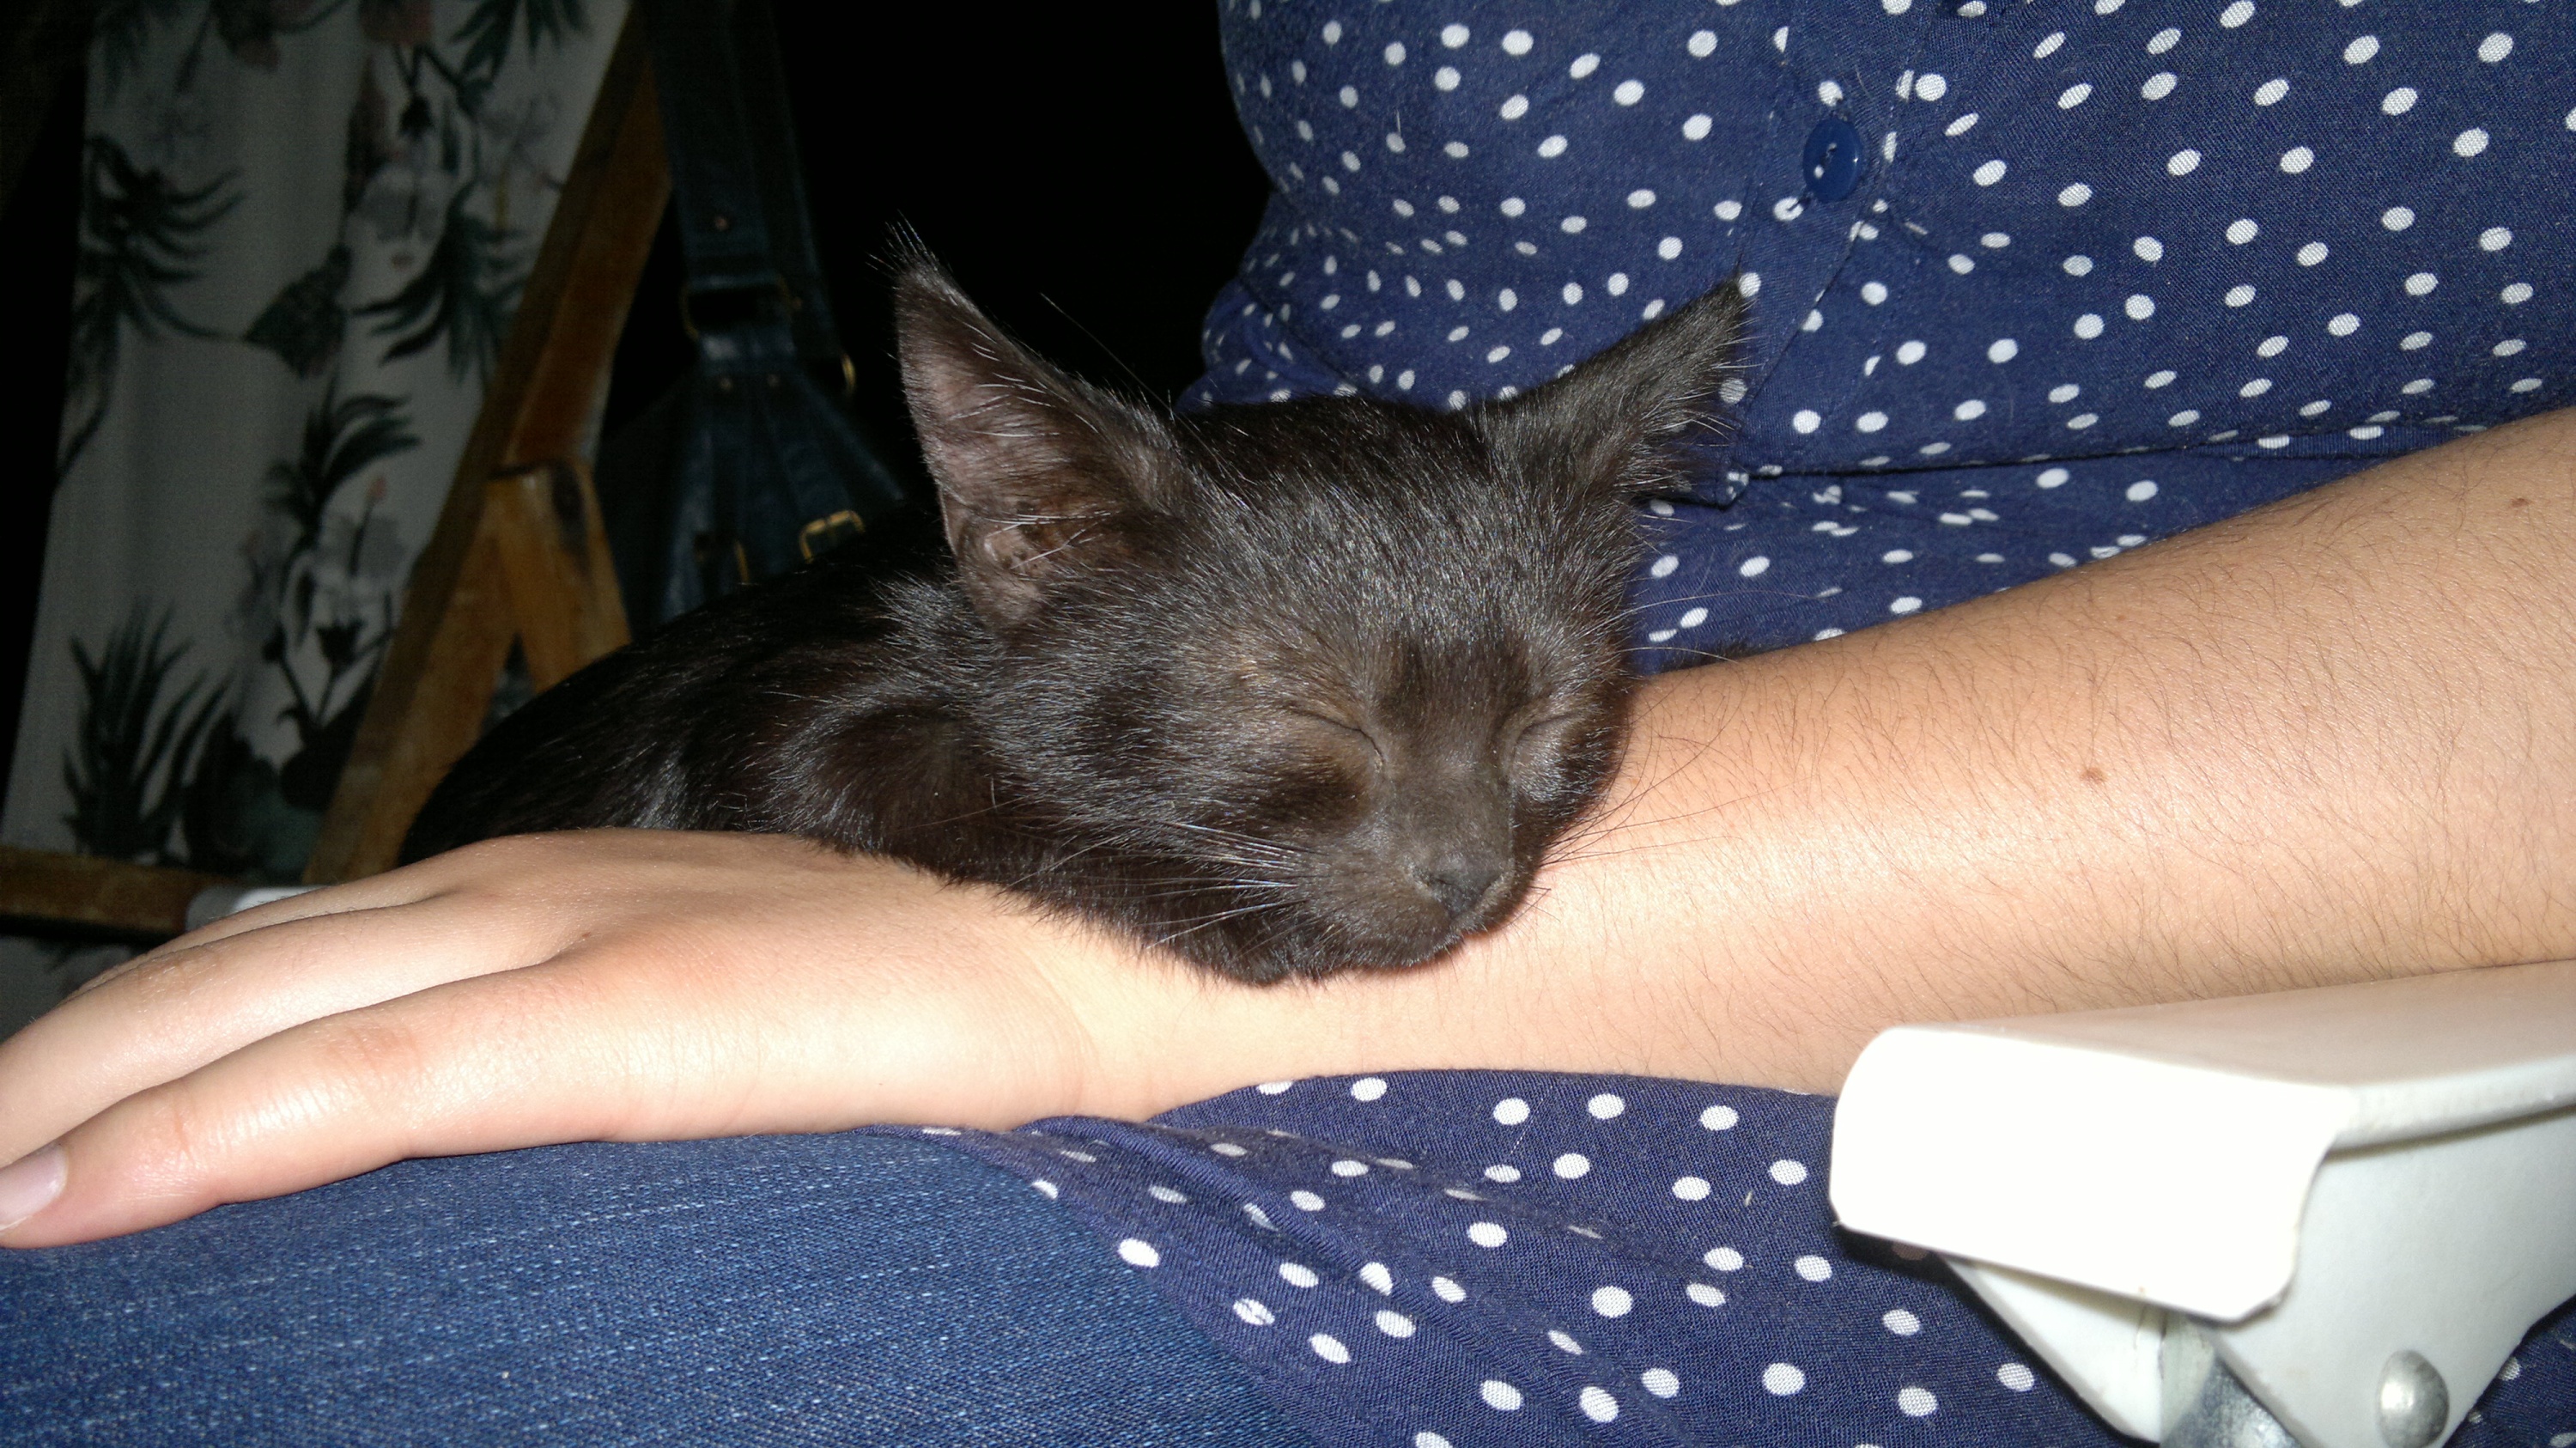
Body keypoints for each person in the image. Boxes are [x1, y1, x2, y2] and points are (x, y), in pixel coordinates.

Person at [3, 4, 2571, 1445]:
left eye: (1532, 761)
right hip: (1288, 531)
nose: (1474, 860)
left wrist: (1071, 984)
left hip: (2169, 1031)